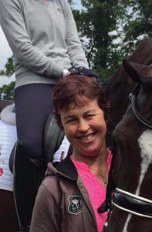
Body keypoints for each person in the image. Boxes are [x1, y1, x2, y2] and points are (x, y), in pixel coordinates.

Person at [0, 1, 95, 231]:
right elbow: (22, 49)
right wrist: (63, 72)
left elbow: (74, 42)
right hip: (34, 80)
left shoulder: (60, 2)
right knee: (32, 143)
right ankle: (28, 222)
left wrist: (82, 72)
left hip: (72, 79)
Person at [30, 75, 111, 232]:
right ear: (62, 126)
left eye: (89, 115)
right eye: (71, 120)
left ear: (105, 114)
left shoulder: (133, 173)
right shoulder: (52, 190)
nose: (83, 127)